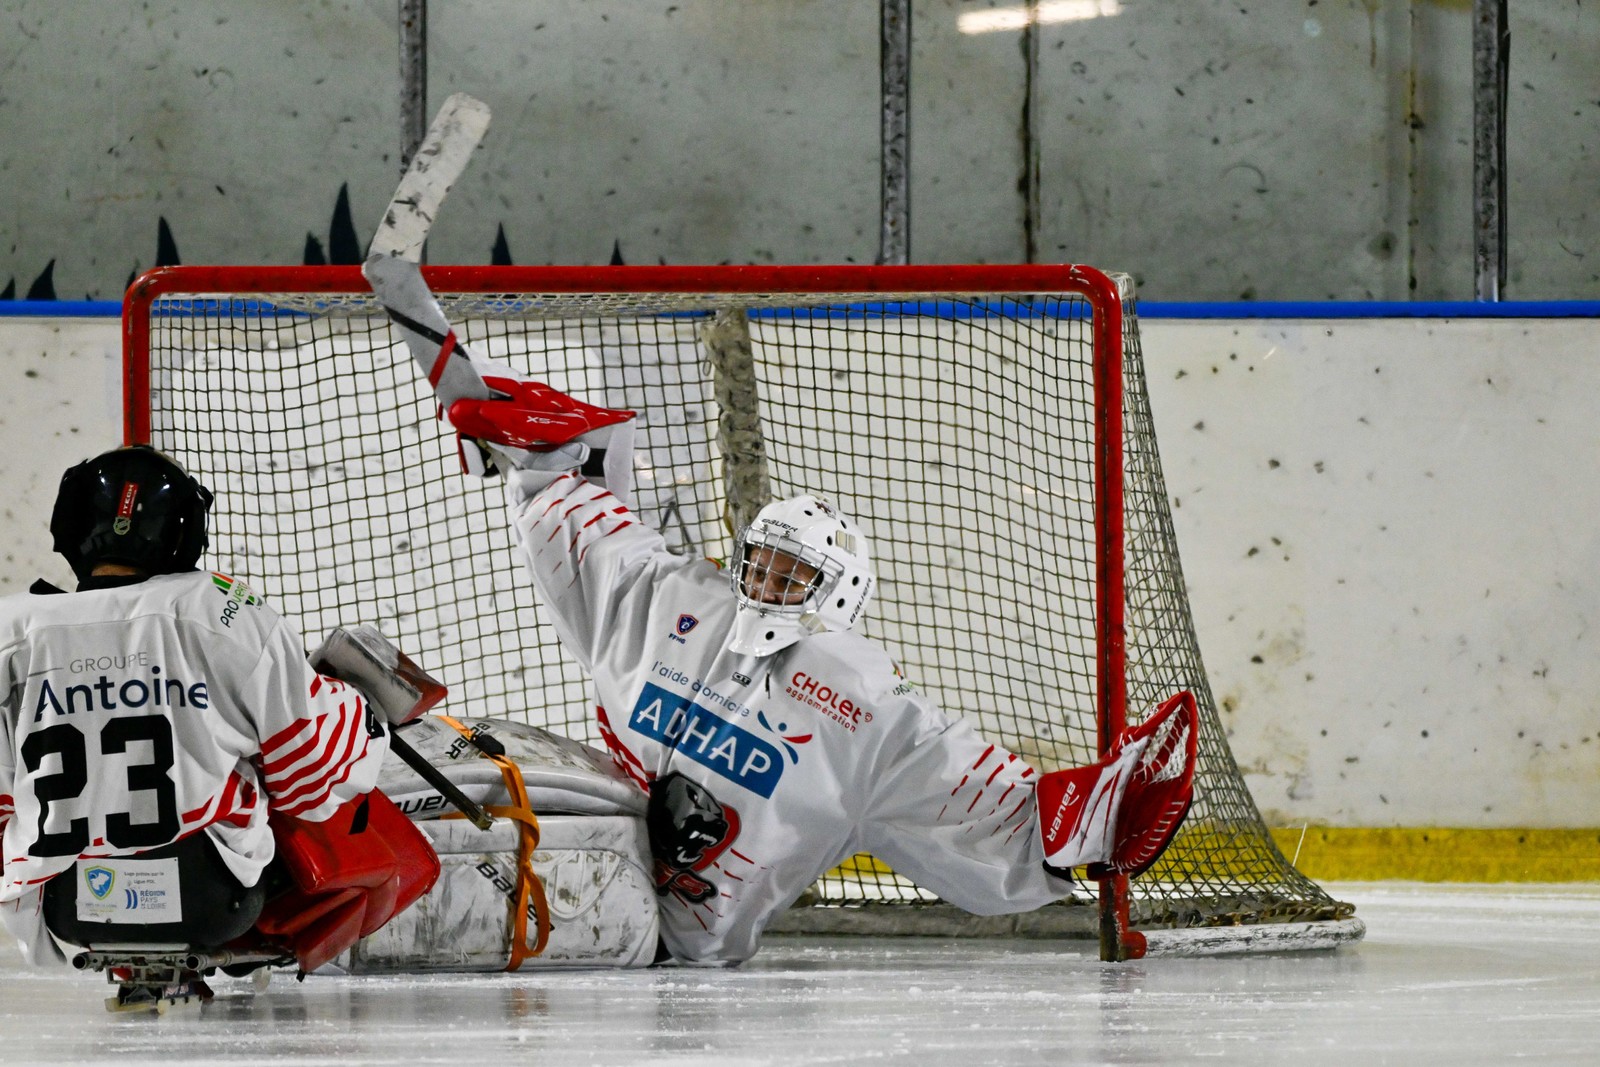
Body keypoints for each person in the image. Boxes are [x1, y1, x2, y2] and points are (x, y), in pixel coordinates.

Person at [433, 372, 1200, 967]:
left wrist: (1085, 819)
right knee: (458, 766)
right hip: (583, 869)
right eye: (760, 565)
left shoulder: (859, 698)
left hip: (665, 945)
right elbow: (603, 547)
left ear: (839, 594)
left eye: (792, 576)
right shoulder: (681, 604)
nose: (767, 586)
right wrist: (550, 457)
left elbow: (966, 793)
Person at [0, 445, 437, 1000]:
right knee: (326, 789)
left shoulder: (11, 629)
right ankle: (269, 948)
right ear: (183, 527)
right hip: (213, 901)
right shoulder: (222, 609)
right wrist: (363, 710)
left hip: (68, 908)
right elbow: (308, 772)